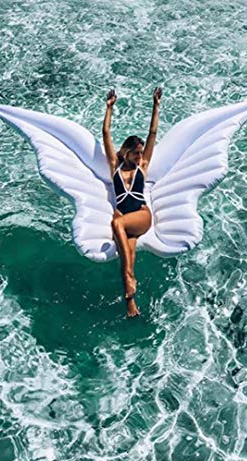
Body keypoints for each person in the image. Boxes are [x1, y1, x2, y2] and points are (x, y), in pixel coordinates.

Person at [102, 87, 162, 317]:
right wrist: (109, 108)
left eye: (140, 153)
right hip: (126, 221)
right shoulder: (114, 167)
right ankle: (131, 305)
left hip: (141, 215)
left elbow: (153, 133)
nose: (140, 156)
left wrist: (156, 106)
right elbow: (106, 134)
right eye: (135, 153)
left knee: (116, 224)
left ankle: (129, 277)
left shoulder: (142, 167)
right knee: (129, 255)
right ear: (126, 152)